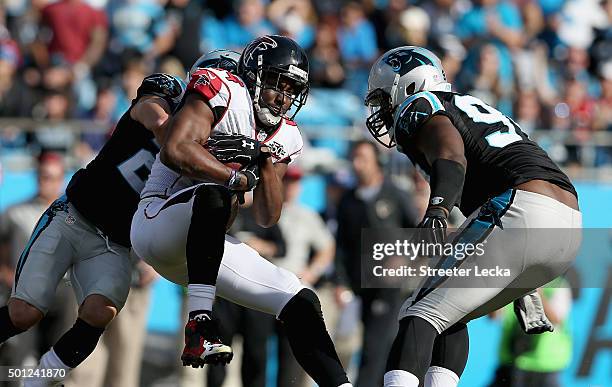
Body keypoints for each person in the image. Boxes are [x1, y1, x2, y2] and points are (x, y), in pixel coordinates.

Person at [131, 36, 352, 387]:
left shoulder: (287, 134)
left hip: (206, 249)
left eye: (293, 88)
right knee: (215, 191)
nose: (284, 96)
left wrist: (263, 159)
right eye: (279, 82)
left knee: (300, 299)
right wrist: (235, 175)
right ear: (254, 74)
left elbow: (267, 216)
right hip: (158, 224)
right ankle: (200, 324)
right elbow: (174, 149)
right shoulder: (225, 89)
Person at [363, 46, 582, 387]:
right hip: (567, 223)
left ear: (406, 86)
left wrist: (436, 208)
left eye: (382, 98)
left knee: (419, 311)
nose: (381, 110)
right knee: (450, 313)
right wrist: (525, 285)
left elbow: (451, 155)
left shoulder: (422, 105)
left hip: (523, 208)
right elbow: (485, 196)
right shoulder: (471, 107)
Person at [0, 71, 186, 387]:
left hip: (113, 244)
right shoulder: (147, 115)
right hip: (72, 219)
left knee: (101, 311)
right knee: (24, 313)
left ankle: (39, 380)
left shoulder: (187, 150)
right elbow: (154, 114)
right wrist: (191, 141)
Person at [334, 140, 418, 387]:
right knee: (366, 344)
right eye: (354, 158)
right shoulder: (348, 200)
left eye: (363, 158)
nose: (357, 164)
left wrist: (402, 256)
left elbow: (419, 235)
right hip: (361, 285)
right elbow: (341, 245)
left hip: (391, 286)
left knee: (375, 347)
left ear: (377, 162)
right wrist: (340, 282)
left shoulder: (396, 194)